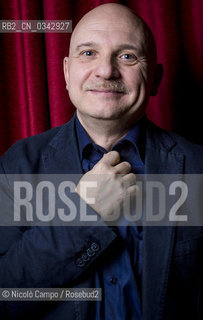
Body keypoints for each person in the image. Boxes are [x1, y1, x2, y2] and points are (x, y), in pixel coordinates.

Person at [0, 3, 203, 320]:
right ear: (67, 72)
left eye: (127, 56)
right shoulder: (17, 165)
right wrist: (84, 214)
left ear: (156, 79)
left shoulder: (198, 166)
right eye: (88, 53)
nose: (106, 71)